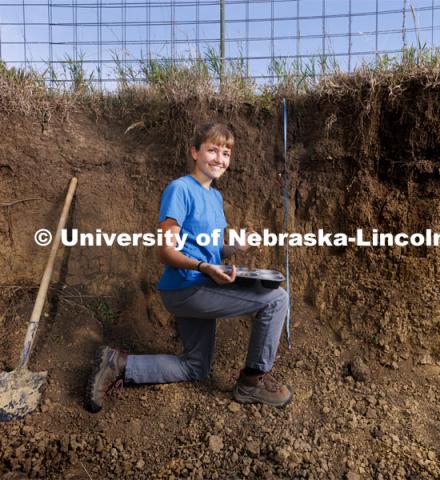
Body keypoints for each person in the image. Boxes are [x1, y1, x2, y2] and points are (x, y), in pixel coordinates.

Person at [85, 122, 292, 413]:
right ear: (195, 152)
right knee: (277, 298)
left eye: (226, 153)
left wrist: (235, 248)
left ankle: (117, 363)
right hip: (187, 288)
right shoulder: (179, 189)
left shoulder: (214, 197)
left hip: (202, 283)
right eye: (212, 150)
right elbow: (165, 251)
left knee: (195, 366)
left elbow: (208, 247)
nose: (220, 158)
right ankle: (252, 381)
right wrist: (205, 267)